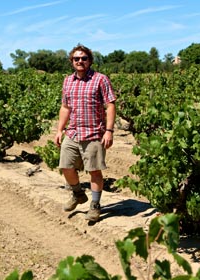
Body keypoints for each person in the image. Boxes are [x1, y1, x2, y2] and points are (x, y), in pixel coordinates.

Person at [54, 44, 116, 222]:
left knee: (94, 171)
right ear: (71, 61)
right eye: (76, 59)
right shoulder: (68, 81)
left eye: (84, 58)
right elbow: (65, 107)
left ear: (90, 60)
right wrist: (59, 130)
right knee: (66, 166)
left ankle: (95, 206)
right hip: (73, 132)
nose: (80, 61)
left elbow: (110, 105)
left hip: (94, 133)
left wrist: (109, 131)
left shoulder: (100, 79)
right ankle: (78, 194)